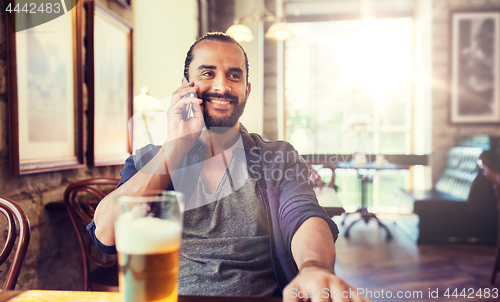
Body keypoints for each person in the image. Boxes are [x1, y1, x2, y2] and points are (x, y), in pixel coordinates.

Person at [89, 32, 370, 301]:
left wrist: (314, 266)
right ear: (186, 85)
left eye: (234, 75)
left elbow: (304, 215)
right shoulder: (148, 159)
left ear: (246, 90)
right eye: (207, 73)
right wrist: (175, 147)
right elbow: (106, 234)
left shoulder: (278, 156)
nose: (222, 86)